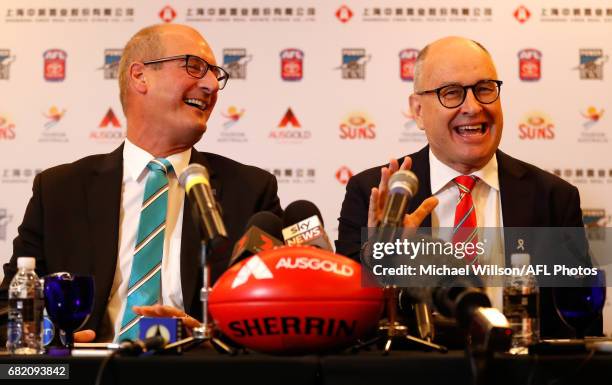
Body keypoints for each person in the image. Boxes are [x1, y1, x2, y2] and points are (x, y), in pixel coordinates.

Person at [1, 24, 282, 342]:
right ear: (140, 76)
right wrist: (55, 337)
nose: (211, 84)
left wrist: (206, 335)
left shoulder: (251, 191)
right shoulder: (59, 191)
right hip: (89, 370)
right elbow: (10, 310)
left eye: (216, 74)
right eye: (195, 67)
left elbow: (271, 315)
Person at [336, 36, 594, 338]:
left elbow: (580, 321)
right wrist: (385, 258)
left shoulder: (553, 197)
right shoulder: (374, 194)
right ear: (418, 110)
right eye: (452, 93)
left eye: (485, 89)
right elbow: (349, 321)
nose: (473, 107)